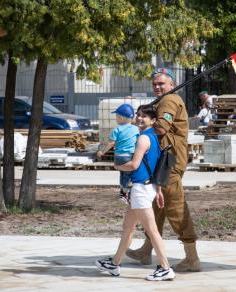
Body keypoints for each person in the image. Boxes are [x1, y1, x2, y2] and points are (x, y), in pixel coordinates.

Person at [126, 67, 201, 272]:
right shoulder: (164, 100)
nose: (158, 87)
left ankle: (192, 257)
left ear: (171, 84)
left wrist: (141, 122)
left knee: (175, 206)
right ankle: (146, 250)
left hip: (171, 163)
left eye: (162, 84)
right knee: (157, 206)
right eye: (155, 84)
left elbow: (160, 128)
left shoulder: (168, 101)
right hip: (164, 161)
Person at [95, 104, 175, 281]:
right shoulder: (153, 137)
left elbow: (134, 165)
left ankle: (165, 267)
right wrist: (159, 190)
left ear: (153, 120)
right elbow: (155, 165)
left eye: (144, 116)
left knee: (152, 231)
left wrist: (116, 166)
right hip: (148, 188)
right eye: (138, 115)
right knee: (127, 228)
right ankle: (115, 264)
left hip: (140, 189)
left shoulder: (143, 139)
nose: (139, 118)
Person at [97, 103, 139, 203]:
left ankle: (122, 192)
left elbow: (111, 143)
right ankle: (126, 193)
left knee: (122, 173)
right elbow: (137, 141)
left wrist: (102, 152)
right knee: (128, 174)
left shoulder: (117, 130)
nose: (116, 118)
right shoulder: (136, 129)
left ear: (121, 118)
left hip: (119, 156)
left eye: (117, 116)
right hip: (130, 155)